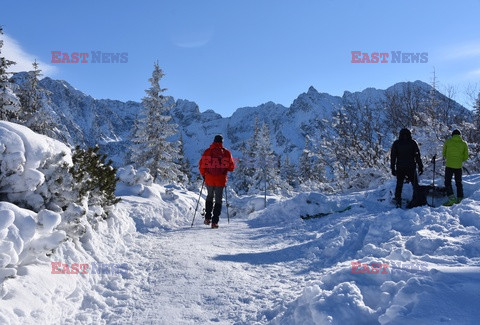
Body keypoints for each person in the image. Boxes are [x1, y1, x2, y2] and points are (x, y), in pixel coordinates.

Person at [199, 135, 235, 228]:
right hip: (220, 179)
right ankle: (214, 222)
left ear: (214, 141)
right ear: (222, 142)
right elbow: (231, 167)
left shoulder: (208, 152)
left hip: (209, 178)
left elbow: (202, 165)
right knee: (218, 200)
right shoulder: (226, 153)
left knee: (209, 197)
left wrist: (204, 175)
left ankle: (207, 218)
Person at [390, 128, 424, 208]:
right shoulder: (412, 143)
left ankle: (398, 201)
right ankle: (416, 200)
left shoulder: (396, 143)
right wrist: (420, 166)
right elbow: (417, 156)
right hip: (411, 167)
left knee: (399, 185)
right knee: (415, 185)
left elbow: (393, 157)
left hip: (400, 167)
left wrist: (393, 168)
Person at [443, 129, 468, 206]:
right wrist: (459, 160)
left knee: (447, 182)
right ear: (460, 135)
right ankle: (460, 198)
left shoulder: (448, 142)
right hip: (458, 166)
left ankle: (452, 198)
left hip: (449, 165)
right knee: (458, 182)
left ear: (452, 135)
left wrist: (449, 158)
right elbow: (466, 156)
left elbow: (444, 153)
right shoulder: (464, 143)